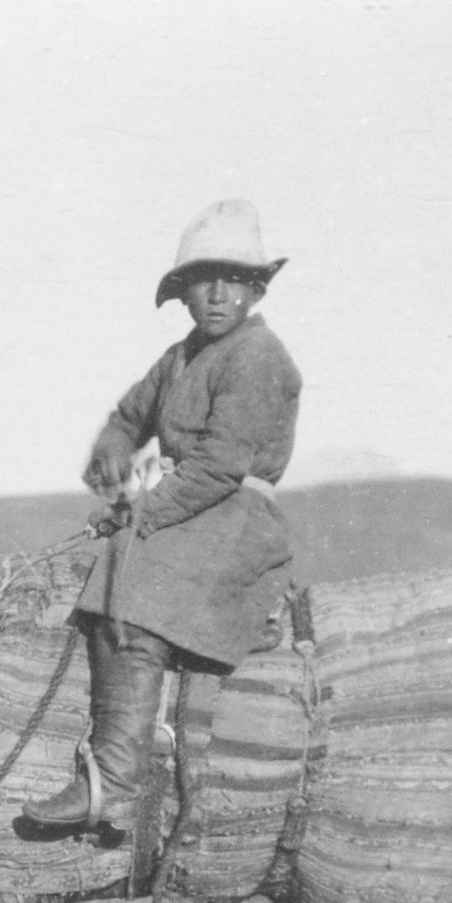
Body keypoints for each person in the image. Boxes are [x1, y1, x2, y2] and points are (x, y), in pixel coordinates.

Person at [25, 200, 303, 838]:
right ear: (183, 295)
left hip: (234, 516)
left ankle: (117, 785)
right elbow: (126, 420)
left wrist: (141, 513)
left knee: (131, 596)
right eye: (202, 280)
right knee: (96, 576)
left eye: (232, 278)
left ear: (256, 288)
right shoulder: (181, 358)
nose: (215, 293)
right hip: (190, 508)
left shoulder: (258, 357)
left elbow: (219, 467)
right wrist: (113, 465)